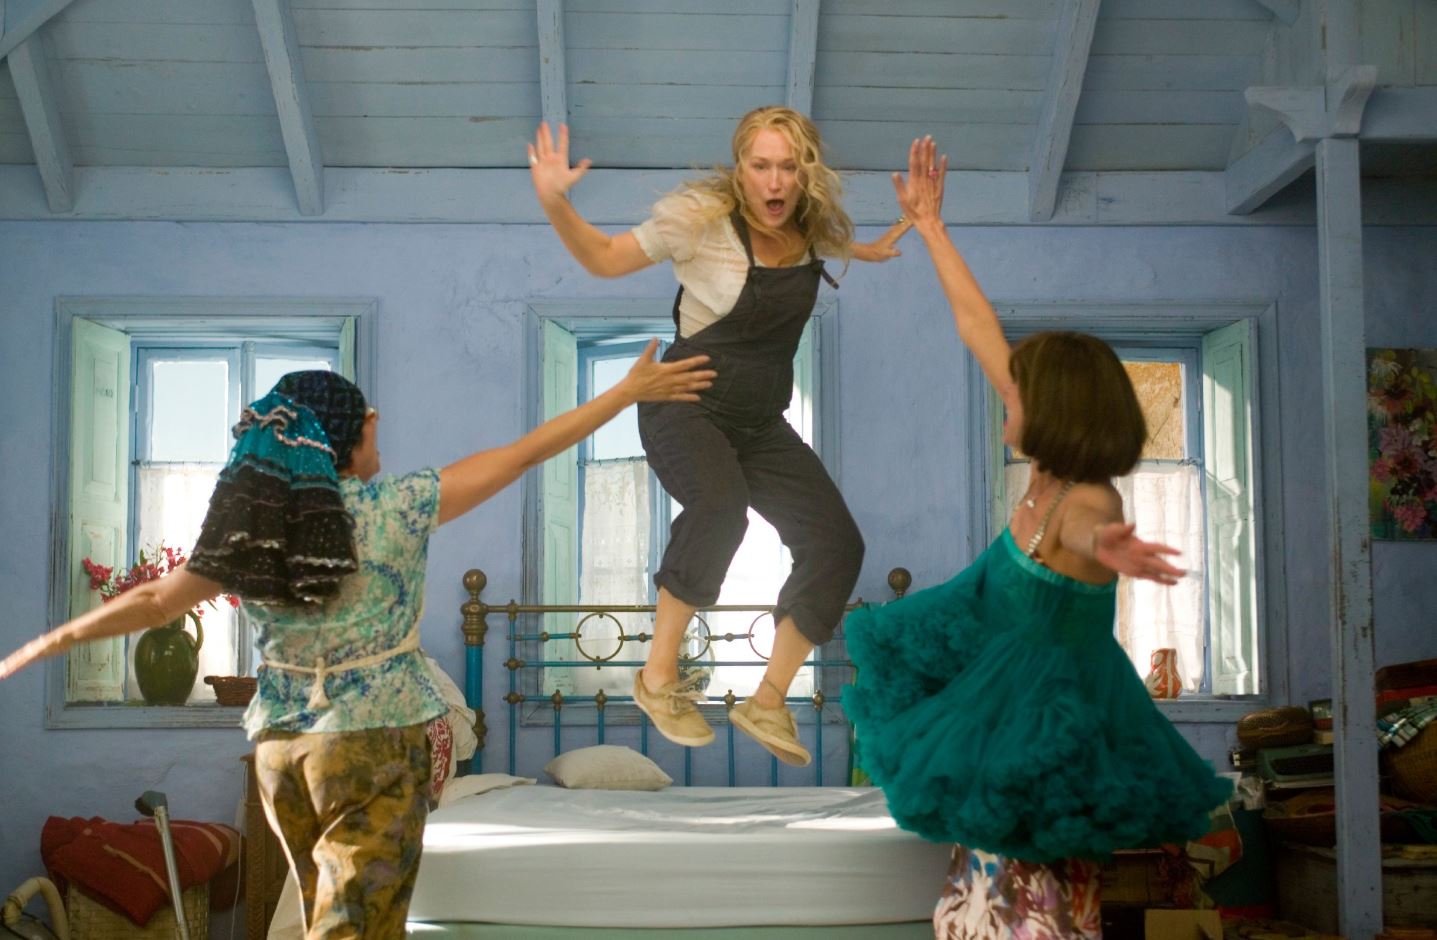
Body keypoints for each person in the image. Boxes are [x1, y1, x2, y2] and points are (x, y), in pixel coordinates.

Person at [0, 353, 713, 938]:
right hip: (371, 744)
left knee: (326, 914)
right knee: (356, 929)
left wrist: (45, 644)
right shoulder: (397, 506)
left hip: (281, 750)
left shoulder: (256, 526)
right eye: (373, 423)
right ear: (359, 430)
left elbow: (156, 602)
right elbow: (524, 453)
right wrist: (623, 392)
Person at [841, 138, 1234, 939]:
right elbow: (975, 324)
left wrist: (1112, 549)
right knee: (971, 906)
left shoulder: (1084, 498)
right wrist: (931, 228)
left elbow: (1093, 532)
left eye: (1016, 394)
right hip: (1003, 711)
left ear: (1053, 412)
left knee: (1038, 911)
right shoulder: (1043, 471)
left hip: (1051, 728)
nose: (1003, 398)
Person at [528, 107, 908, 766]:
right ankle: (657, 677)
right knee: (720, 507)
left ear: (805, 173)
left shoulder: (809, 230)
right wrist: (556, 203)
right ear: (740, 168)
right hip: (685, 403)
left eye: (788, 167)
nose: (774, 181)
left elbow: (825, 248)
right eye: (760, 166)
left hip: (759, 423)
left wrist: (869, 249)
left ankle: (767, 702)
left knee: (836, 543)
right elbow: (604, 258)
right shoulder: (699, 223)